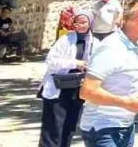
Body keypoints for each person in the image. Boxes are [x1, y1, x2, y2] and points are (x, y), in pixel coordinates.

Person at [78, 1, 138, 147]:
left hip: (125, 127)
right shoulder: (111, 48)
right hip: (103, 128)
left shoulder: (134, 47)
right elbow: (87, 91)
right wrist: (126, 103)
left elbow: (128, 79)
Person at [39, 10, 96, 147]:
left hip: (78, 90)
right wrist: (75, 63)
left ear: (90, 23)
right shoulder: (65, 39)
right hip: (59, 87)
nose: (80, 25)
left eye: (84, 22)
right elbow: (51, 61)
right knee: (53, 127)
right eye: (77, 22)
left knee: (69, 127)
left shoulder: (95, 42)